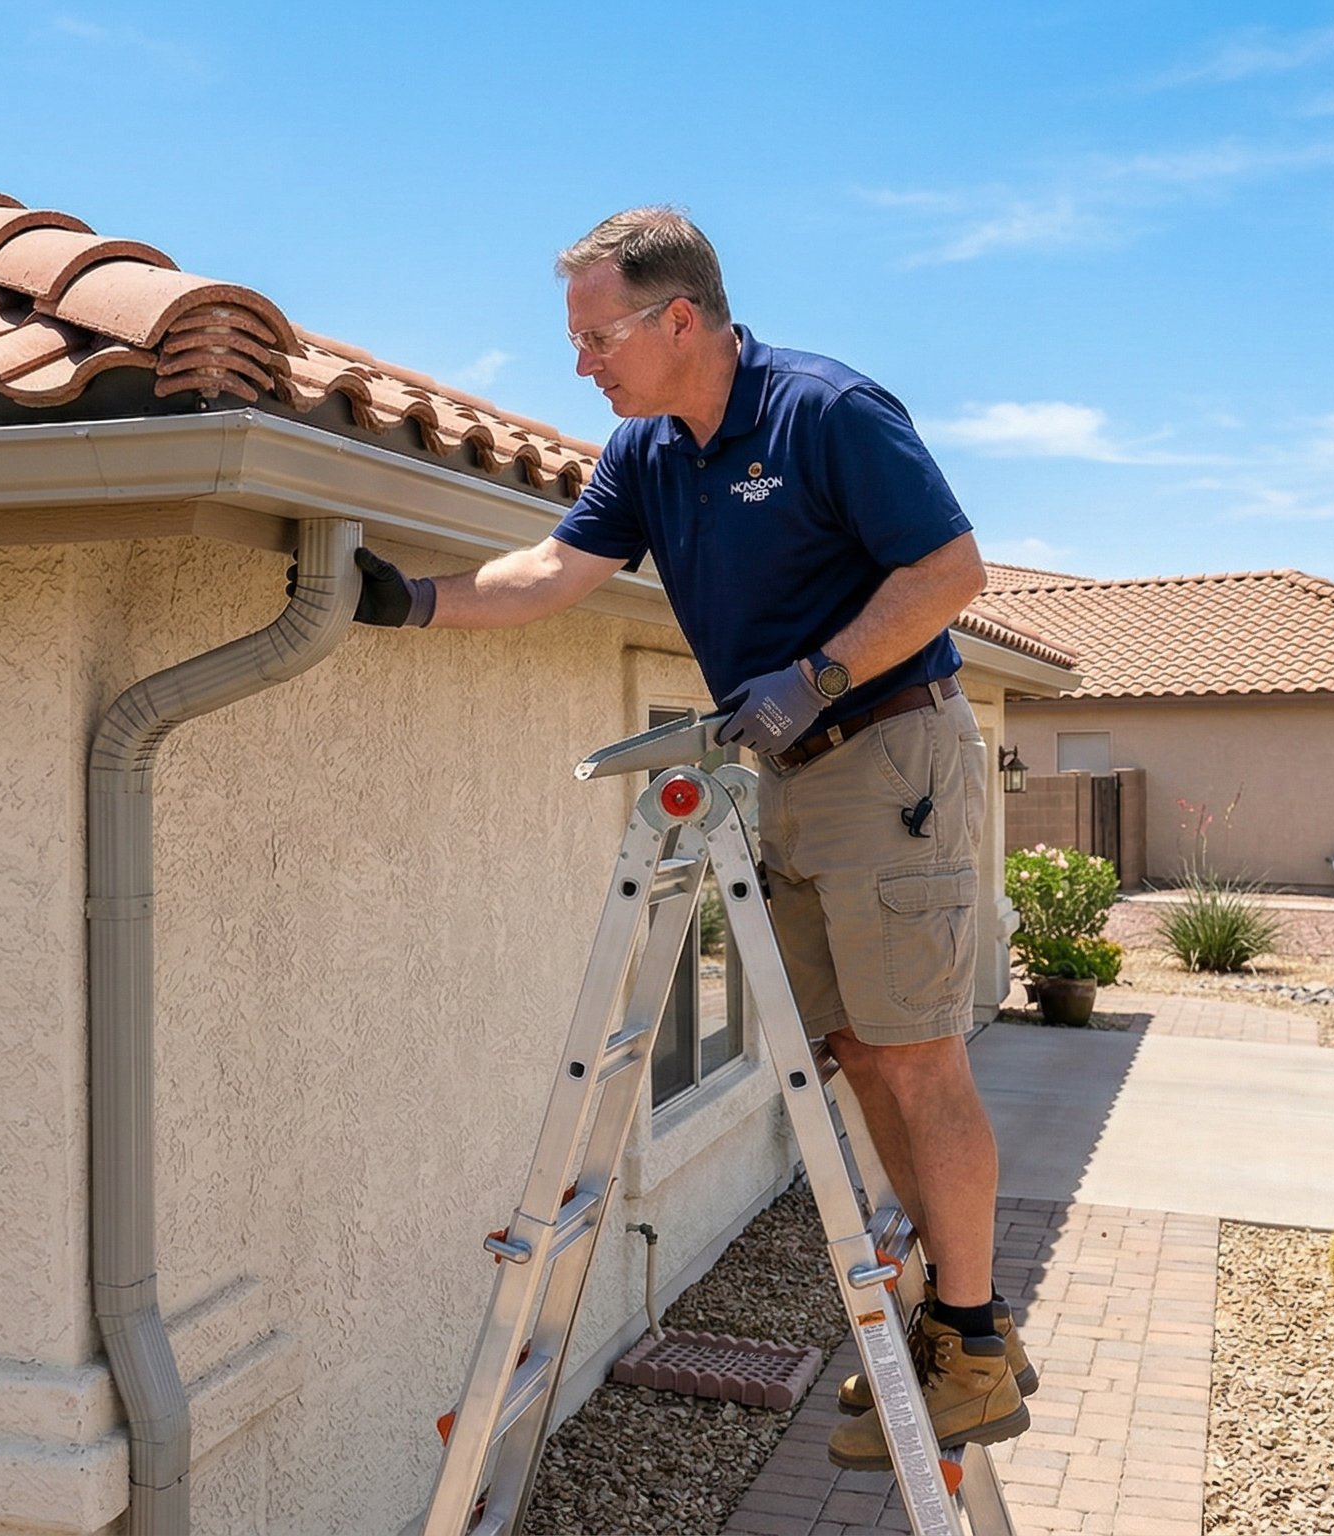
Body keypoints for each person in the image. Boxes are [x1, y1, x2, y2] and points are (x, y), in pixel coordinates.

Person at [344, 207, 1028, 1466]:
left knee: (918, 1056)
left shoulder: (823, 411)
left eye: (595, 334)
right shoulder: (647, 451)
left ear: (678, 317)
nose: (581, 362)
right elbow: (553, 574)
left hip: (891, 759)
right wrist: (405, 602)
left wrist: (813, 675)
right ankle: (950, 1326)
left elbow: (948, 574)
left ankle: (974, 1340)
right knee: (857, 1055)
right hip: (792, 775)